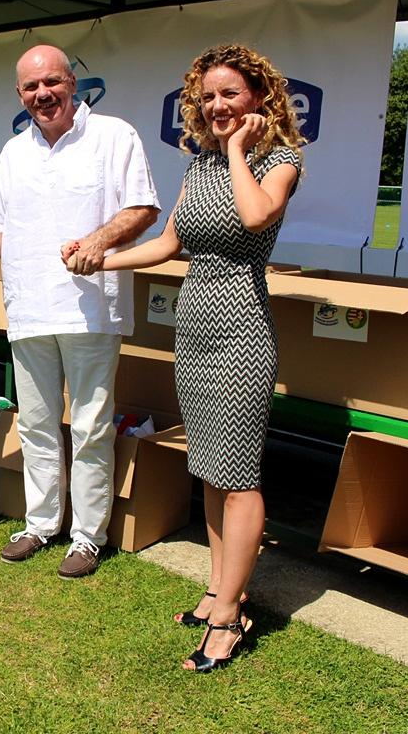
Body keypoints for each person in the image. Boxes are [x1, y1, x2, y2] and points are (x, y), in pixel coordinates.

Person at [99, 44, 303, 672]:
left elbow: (256, 215)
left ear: (260, 97)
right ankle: (218, 588)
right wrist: (101, 258)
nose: (217, 106)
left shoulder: (281, 161)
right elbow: (167, 243)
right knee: (211, 470)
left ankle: (230, 615)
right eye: (207, 96)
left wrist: (238, 149)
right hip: (193, 330)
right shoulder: (198, 167)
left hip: (242, 330)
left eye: (230, 94)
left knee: (238, 476)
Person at [0, 44, 160, 580]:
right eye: (31, 86)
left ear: (73, 83)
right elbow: (0, 233)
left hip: (91, 308)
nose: (42, 93)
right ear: (19, 94)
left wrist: (99, 241)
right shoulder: (12, 153)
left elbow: (144, 207)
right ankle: (41, 523)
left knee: (91, 427)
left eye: (51, 82)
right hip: (28, 306)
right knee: (36, 424)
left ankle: (88, 536)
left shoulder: (114, 136)